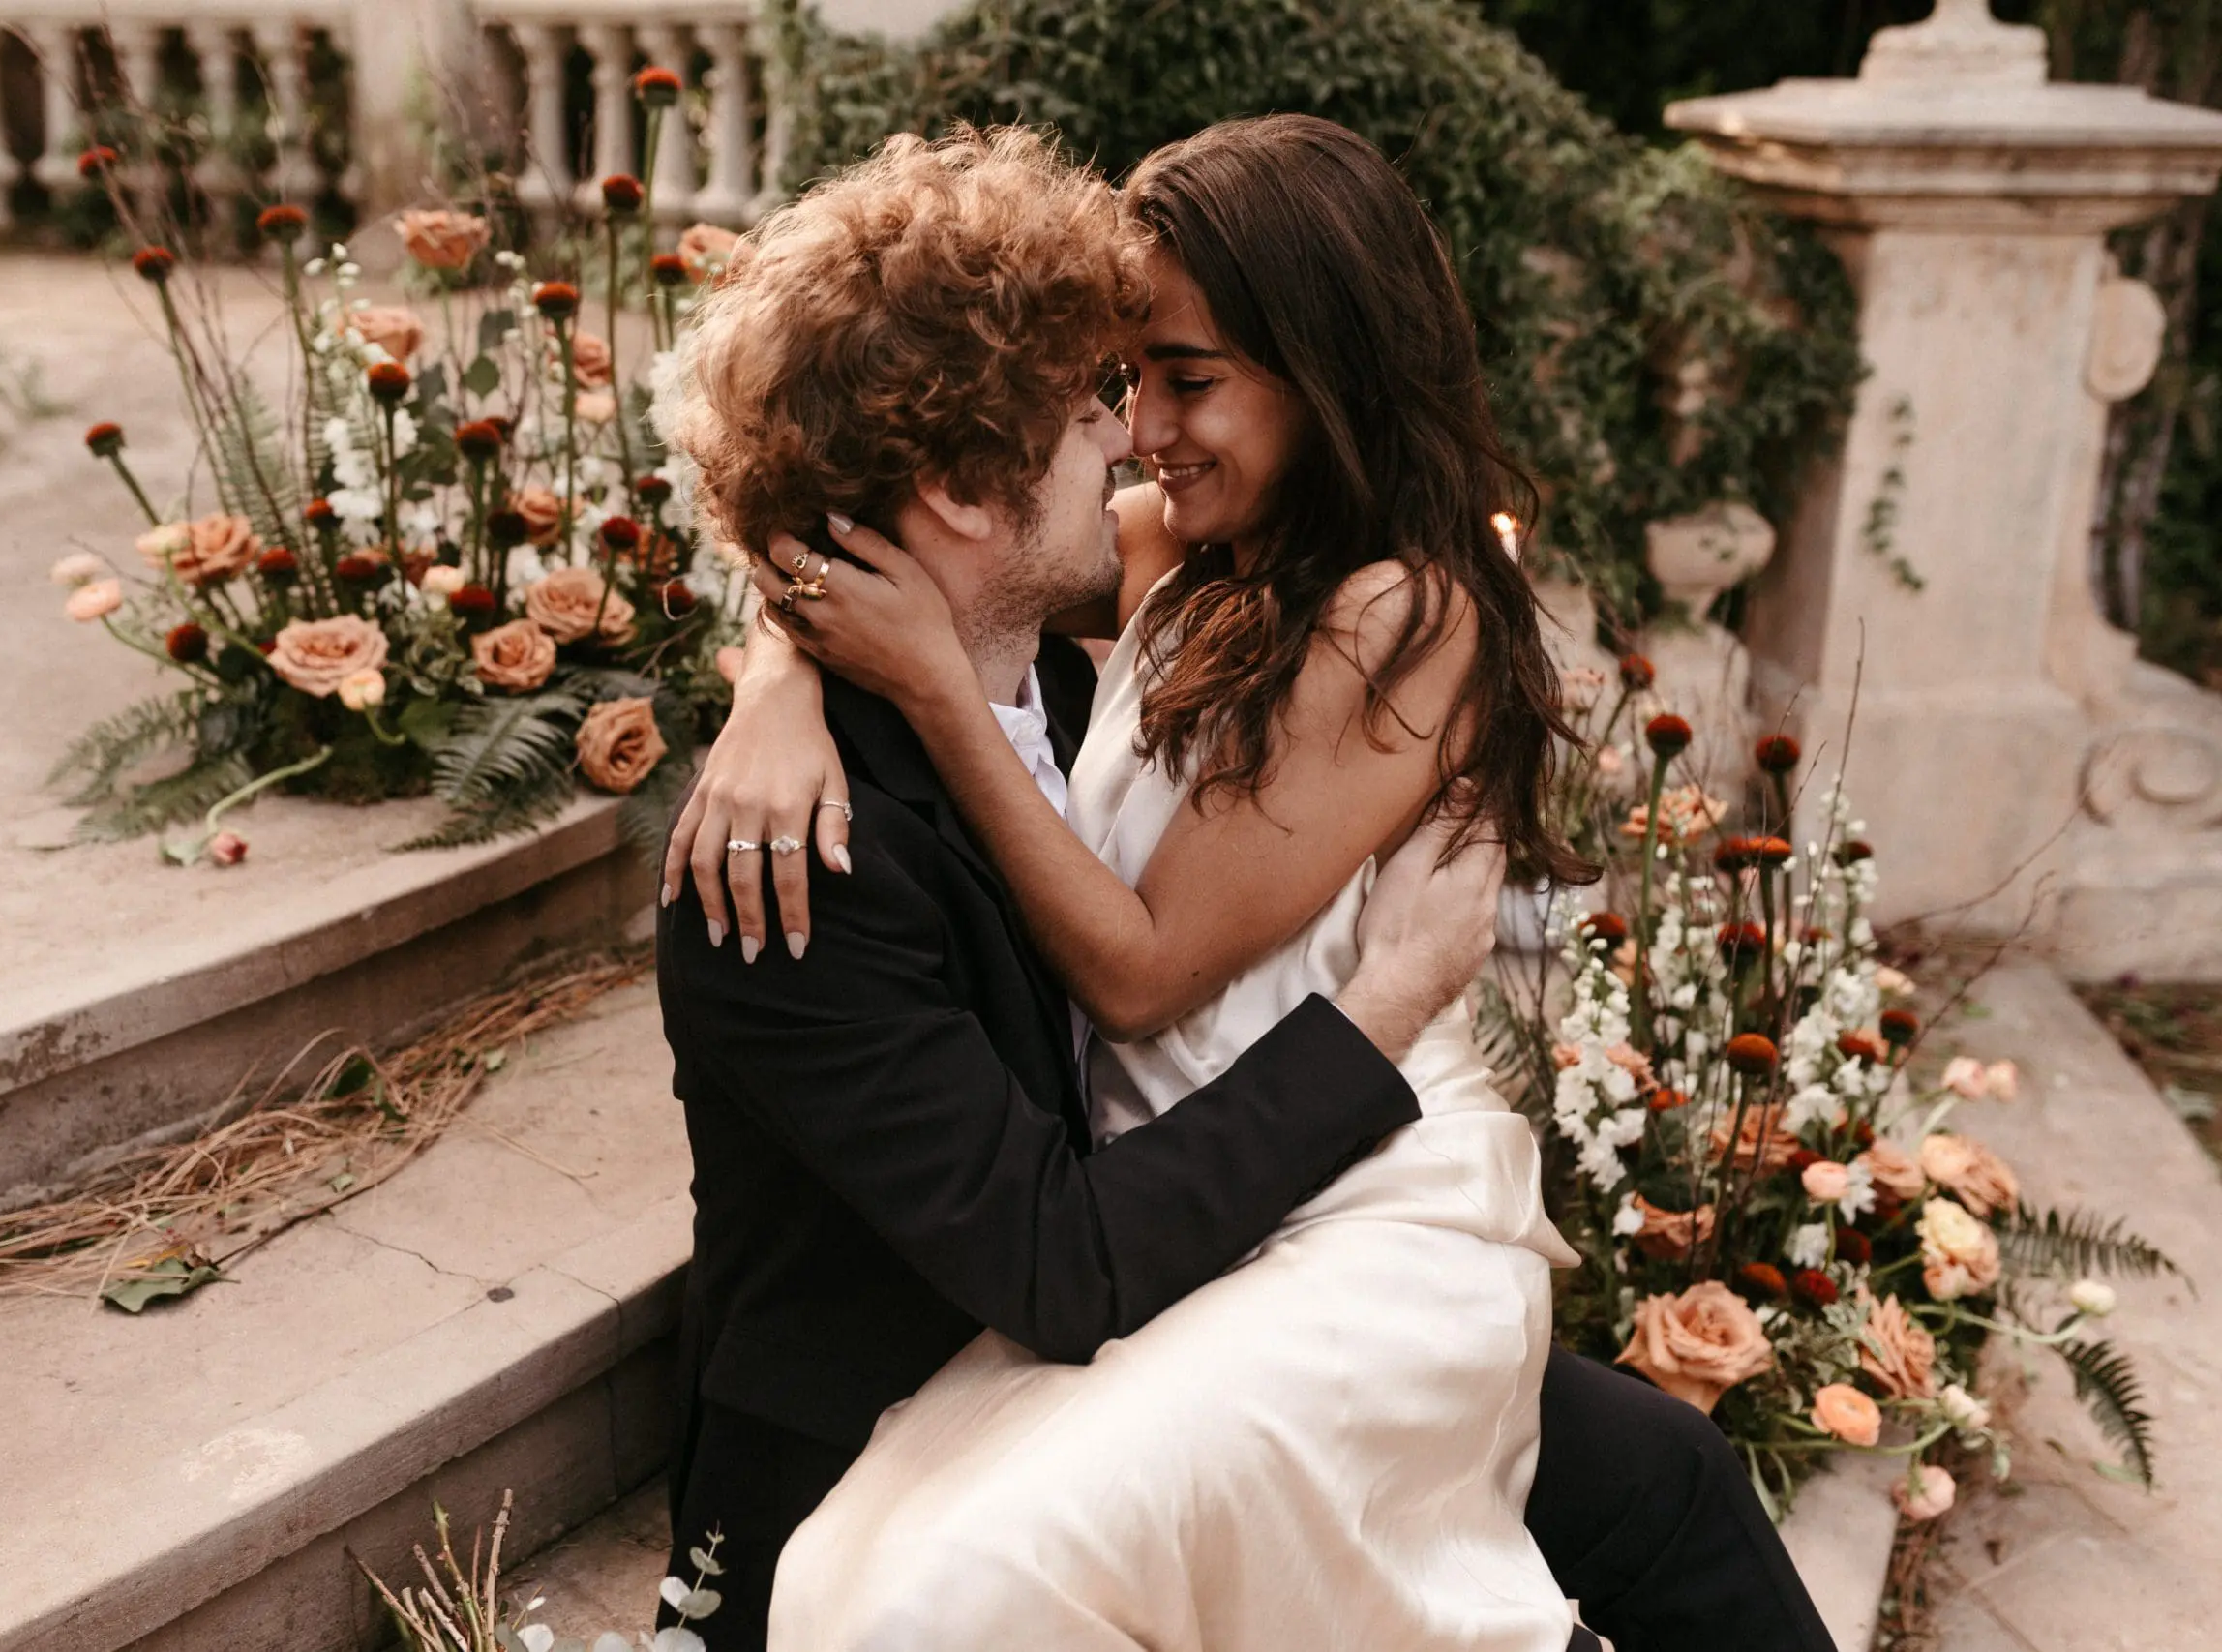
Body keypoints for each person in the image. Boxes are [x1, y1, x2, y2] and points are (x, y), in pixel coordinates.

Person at [662, 121, 1835, 1652]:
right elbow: (1064, 1253)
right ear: (964, 484)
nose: (1132, 433)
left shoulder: (1131, 660)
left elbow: (867, 536)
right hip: (993, 1348)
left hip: (1266, 1224)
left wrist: (816, 663)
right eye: (1102, 395)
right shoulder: (801, 862)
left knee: (1669, 1480)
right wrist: (777, 674)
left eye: (1165, 380)